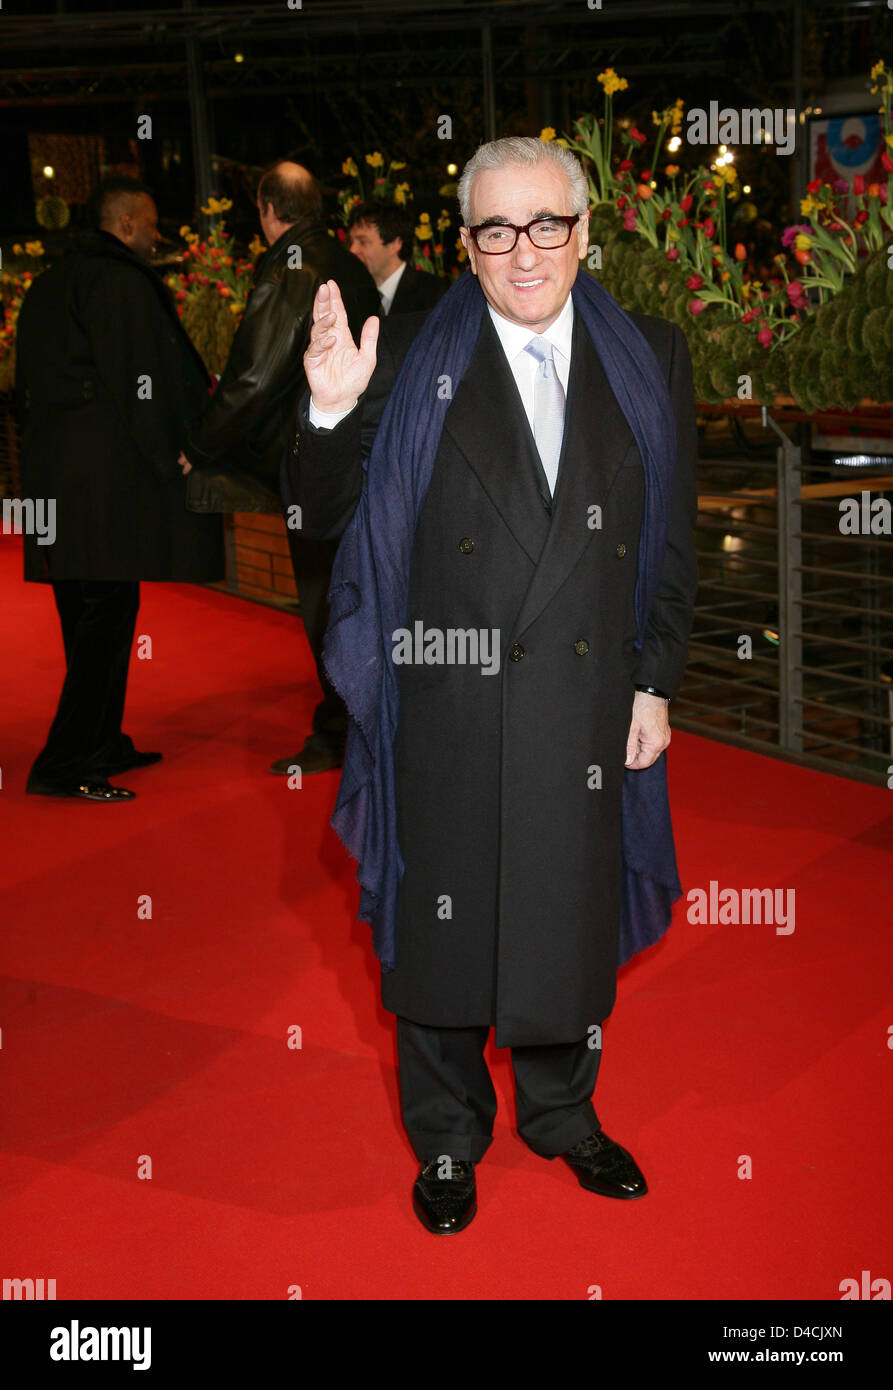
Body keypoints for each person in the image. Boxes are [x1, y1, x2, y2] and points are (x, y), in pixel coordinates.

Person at [284, 137, 698, 1234]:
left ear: (584, 232)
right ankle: (447, 1137)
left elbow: (669, 542)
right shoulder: (407, 355)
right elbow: (317, 515)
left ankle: (562, 1116)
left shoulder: (648, 355)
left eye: (547, 224)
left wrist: (653, 682)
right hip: (445, 701)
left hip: (579, 708)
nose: (526, 252)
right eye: (497, 230)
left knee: (566, 916)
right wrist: (328, 412)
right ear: (464, 249)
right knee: (443, 933)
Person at [17, 175, 224, 803]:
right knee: (106, 614)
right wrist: (178, 452)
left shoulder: (49, 283)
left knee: (87, 612)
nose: (158, 235)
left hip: (54, 481)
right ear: (128, 223)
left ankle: (101, 740)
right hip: (103, 487)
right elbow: (144, 378)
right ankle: (65, 759)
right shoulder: (117, 282)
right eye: (153, 223)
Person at [180, 161, 379, 776]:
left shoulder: (292, 266)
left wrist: (202, 446)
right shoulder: (344, 259)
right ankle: (358, 725)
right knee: (353, 593)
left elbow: (255, 376)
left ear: (267, 209)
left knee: (324, 598)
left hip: (311, 461)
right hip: (362, 448)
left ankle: (345, 733)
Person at [347, 202, 446, 315]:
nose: (352, 250)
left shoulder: (431, 293)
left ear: (395, 243)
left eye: (363, 242)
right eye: (351, 242)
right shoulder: (356, 295)